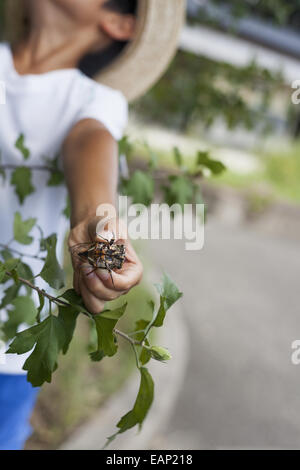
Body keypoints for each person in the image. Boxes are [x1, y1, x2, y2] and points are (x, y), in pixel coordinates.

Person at [0, 0, 185, 450]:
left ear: (119, 22)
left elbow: (90, 139)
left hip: (8, 343)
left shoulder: (95, 101)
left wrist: (97, 219)